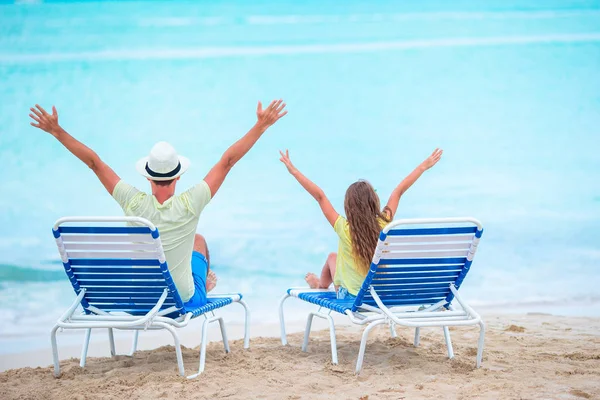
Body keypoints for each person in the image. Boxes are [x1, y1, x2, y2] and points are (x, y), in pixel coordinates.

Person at [29, 100, 287, 308]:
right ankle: (202, 287)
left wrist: (56, 131)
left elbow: (94, 163)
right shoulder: (190, 203)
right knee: (199, 241)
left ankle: (197, 283)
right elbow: (227, 161)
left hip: (139, 302)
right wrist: (260, 126)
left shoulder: (132, 202)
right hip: (179, 301)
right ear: (178, 176)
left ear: (148, 177)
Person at [278, 148, 443, 299]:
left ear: (349, 207)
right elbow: (398, 191)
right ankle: (319, 284)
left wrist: (293, 171)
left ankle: (320, 285)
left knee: (331, 257)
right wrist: (423, 166)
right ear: (374, 202)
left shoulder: (344, 227)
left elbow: (320, 196)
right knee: (338, 258)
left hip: (352, 297)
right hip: (378, 295)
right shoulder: (384, 222)